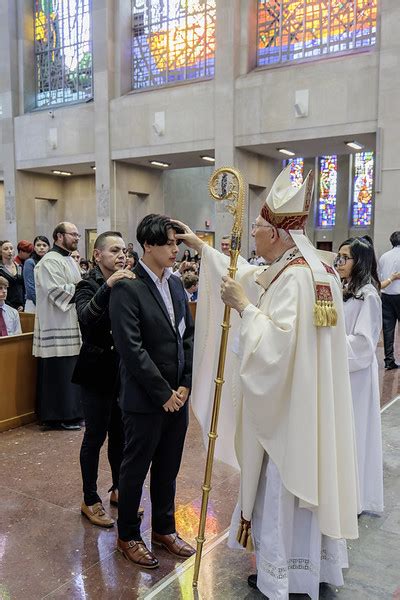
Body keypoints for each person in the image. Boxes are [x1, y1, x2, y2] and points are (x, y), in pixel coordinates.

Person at [176, 164, 358, 599]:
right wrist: (202, 246)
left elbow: (276, 348)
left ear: (276, 233)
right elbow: (247, 275)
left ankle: (283, 576)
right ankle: (307, 570)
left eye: (257, 226)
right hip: (309, 408)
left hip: (290, 414)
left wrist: (243, 309)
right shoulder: (309, 268)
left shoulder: (297, 278)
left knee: (282, 490)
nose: (254, 233)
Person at [109, 214, 195, 569]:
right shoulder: (128, 287)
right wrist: (163, 393)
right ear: (148, 245)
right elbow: (131, 348)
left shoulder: (175, 285)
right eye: (170, 243)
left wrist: (185, 383)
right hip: (146, 398)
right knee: (135, 469)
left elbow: (187, 336)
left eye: (177, 243)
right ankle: (128, 534)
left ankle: (163, 528)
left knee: (168, 467)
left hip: (178, 396)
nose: (176, 249)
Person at [73, 232, 134, 528]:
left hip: (121, 372)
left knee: (120, 436)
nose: (121, 255)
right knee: (94, 437)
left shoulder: (128, 282)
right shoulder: (88, 284)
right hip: (96, 371)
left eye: (123, 250)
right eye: (114, 250)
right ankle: (89, 498)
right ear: (98, 255)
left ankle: (118, 489)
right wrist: (108, 285)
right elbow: (86, 317)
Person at [335, 237, 384, 514]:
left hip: (356, 377)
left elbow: (364, 345)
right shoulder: (345, 289)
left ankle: (355, 497)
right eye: (339, 257)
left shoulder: (369, 295)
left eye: (346, 257)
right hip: (342, 372)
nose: (340, 262)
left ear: (360, 262)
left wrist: (331, 343)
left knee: (355, 433)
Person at [33, 222, 83, 430]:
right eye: (73, 234)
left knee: (70, 369)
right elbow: (56, 292)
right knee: (58, 371)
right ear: (59, 236)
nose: (77, 238)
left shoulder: (68, 259)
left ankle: (72, 413)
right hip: (56, 323)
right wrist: (85, 288)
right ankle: (57, 416)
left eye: (78, 235)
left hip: (70, 322)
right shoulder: (49, 262)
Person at [378, 231, 400, 369]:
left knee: (388, 329)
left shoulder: (383, 256)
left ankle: (389, 360)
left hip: (386, 295)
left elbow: (381, 276)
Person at [23, 236, 50, 313]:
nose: (41, 247)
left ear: (49, 248)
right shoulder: (30, 262)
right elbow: (30, 287)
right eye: (38, 245)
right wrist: (40, 305)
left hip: (48, 302)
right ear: (34, 248)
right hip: (33, 303)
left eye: (44, 245)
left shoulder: (50, 262)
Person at [0, 241, 25, 311]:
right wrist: (11, 307)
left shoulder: (20, 267)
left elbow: (23, 287)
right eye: (6, 249)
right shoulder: (1, 269)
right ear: (1, 252)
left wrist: (23, 304)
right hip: (5, 305)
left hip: (21, 306)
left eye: (11, 248)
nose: (9, 251)